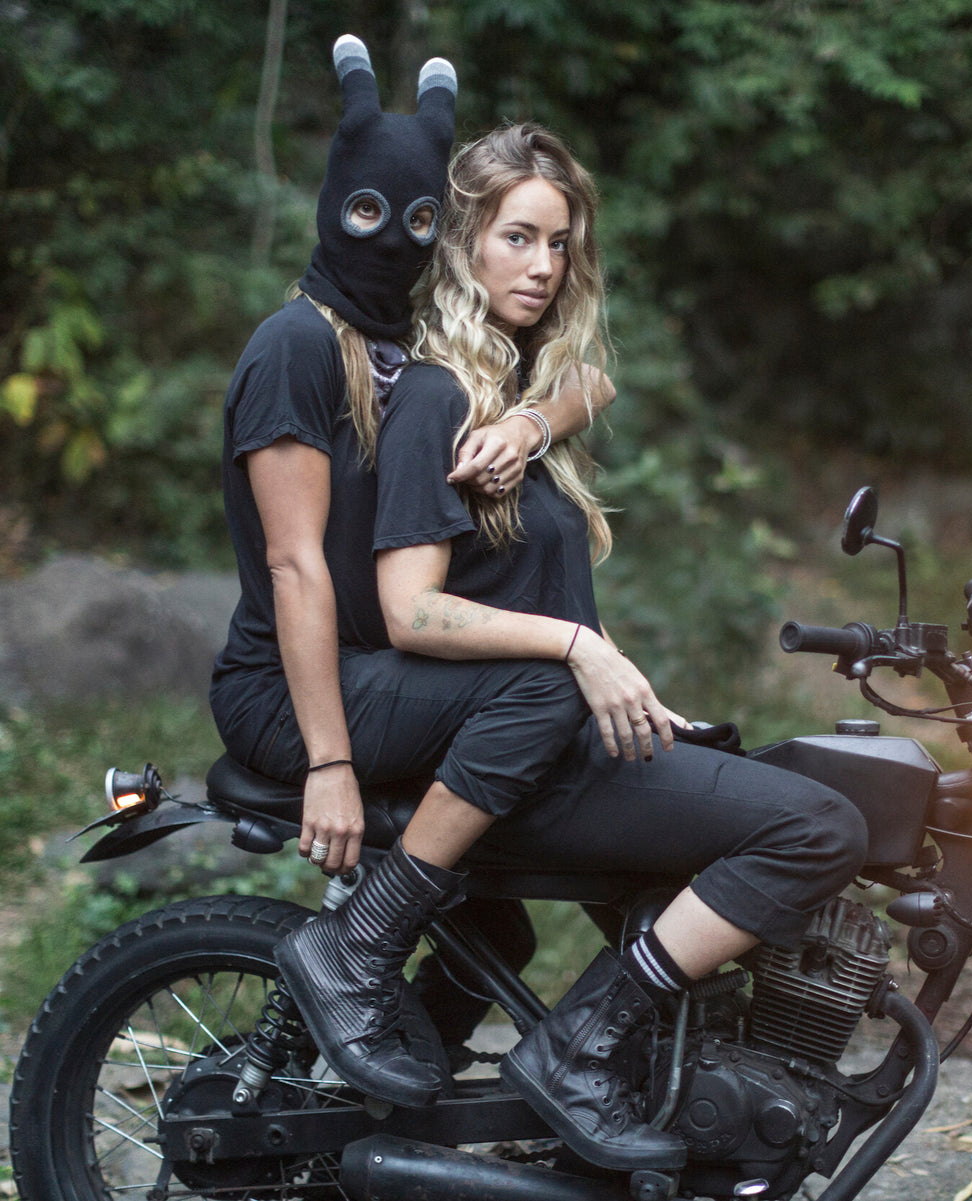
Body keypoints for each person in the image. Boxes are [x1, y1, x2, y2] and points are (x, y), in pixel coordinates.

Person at [355, 123, 871, 1172]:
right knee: (820, 826)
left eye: (559, 243)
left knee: (759, 774)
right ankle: (579, 1046)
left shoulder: (513, 386)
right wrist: (581, 650)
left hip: (559, 740)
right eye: (517, 238)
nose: (544, 265)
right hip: (518, 758)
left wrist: (536, 427)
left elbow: (593, 378)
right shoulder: (434, 400)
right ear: (462, 244)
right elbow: (409, 610)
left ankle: (693, 1089)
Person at [209, 39, 612, 1107]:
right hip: (294, 689)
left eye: (417, 225)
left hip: (372, 661)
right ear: (337, 207)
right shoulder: (298, 347)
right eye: (368, 218)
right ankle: (356, 952)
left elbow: (588, 376)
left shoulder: (400, 345)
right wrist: (330, 763)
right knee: (541, 680)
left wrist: (530, 420)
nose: (392, 243)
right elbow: (297, 568)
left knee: (500, 922)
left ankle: (392, 1113)